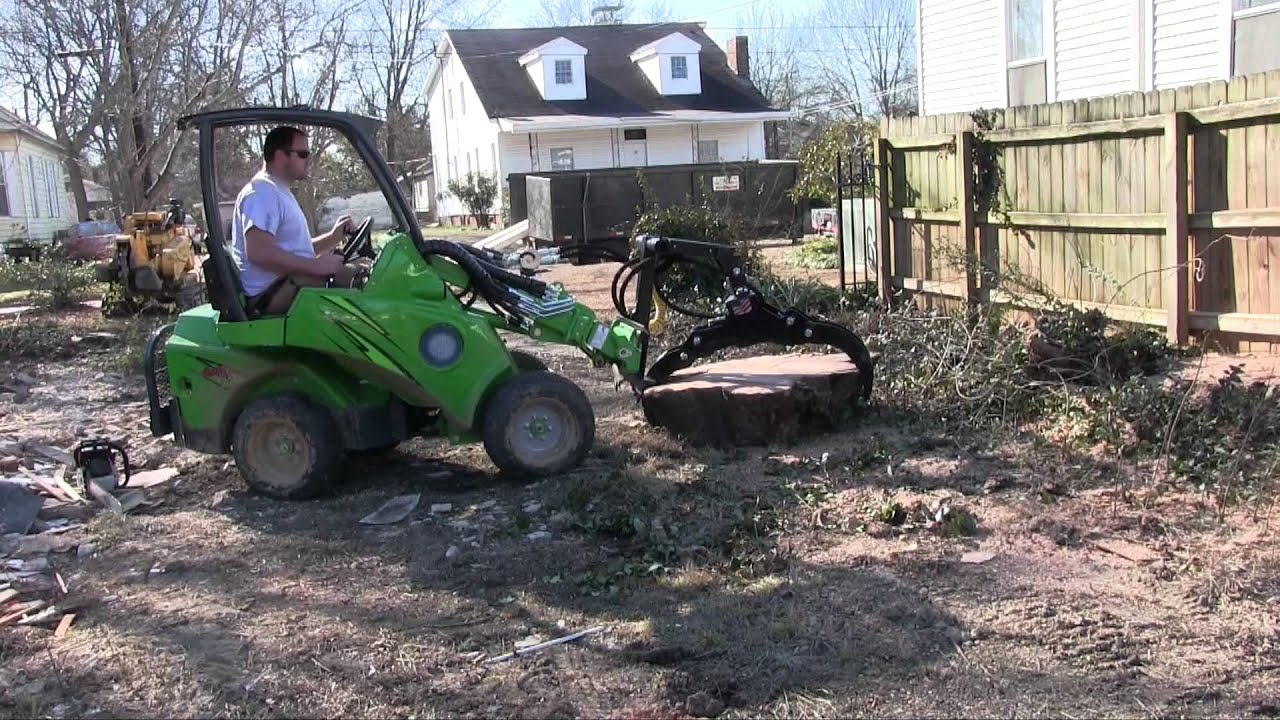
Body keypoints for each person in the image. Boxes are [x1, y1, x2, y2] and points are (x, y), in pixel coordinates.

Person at [231, 125, 364, 315]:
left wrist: (333, 237)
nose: (308, 160)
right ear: (280, 156)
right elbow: (259, 252)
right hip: (269, 296)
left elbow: (292, 251)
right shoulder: (261, 192)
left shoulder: (278, 190)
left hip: (284, 284)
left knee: (364, 271)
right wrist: (316, 266)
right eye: (302, 154)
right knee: (360, 281)